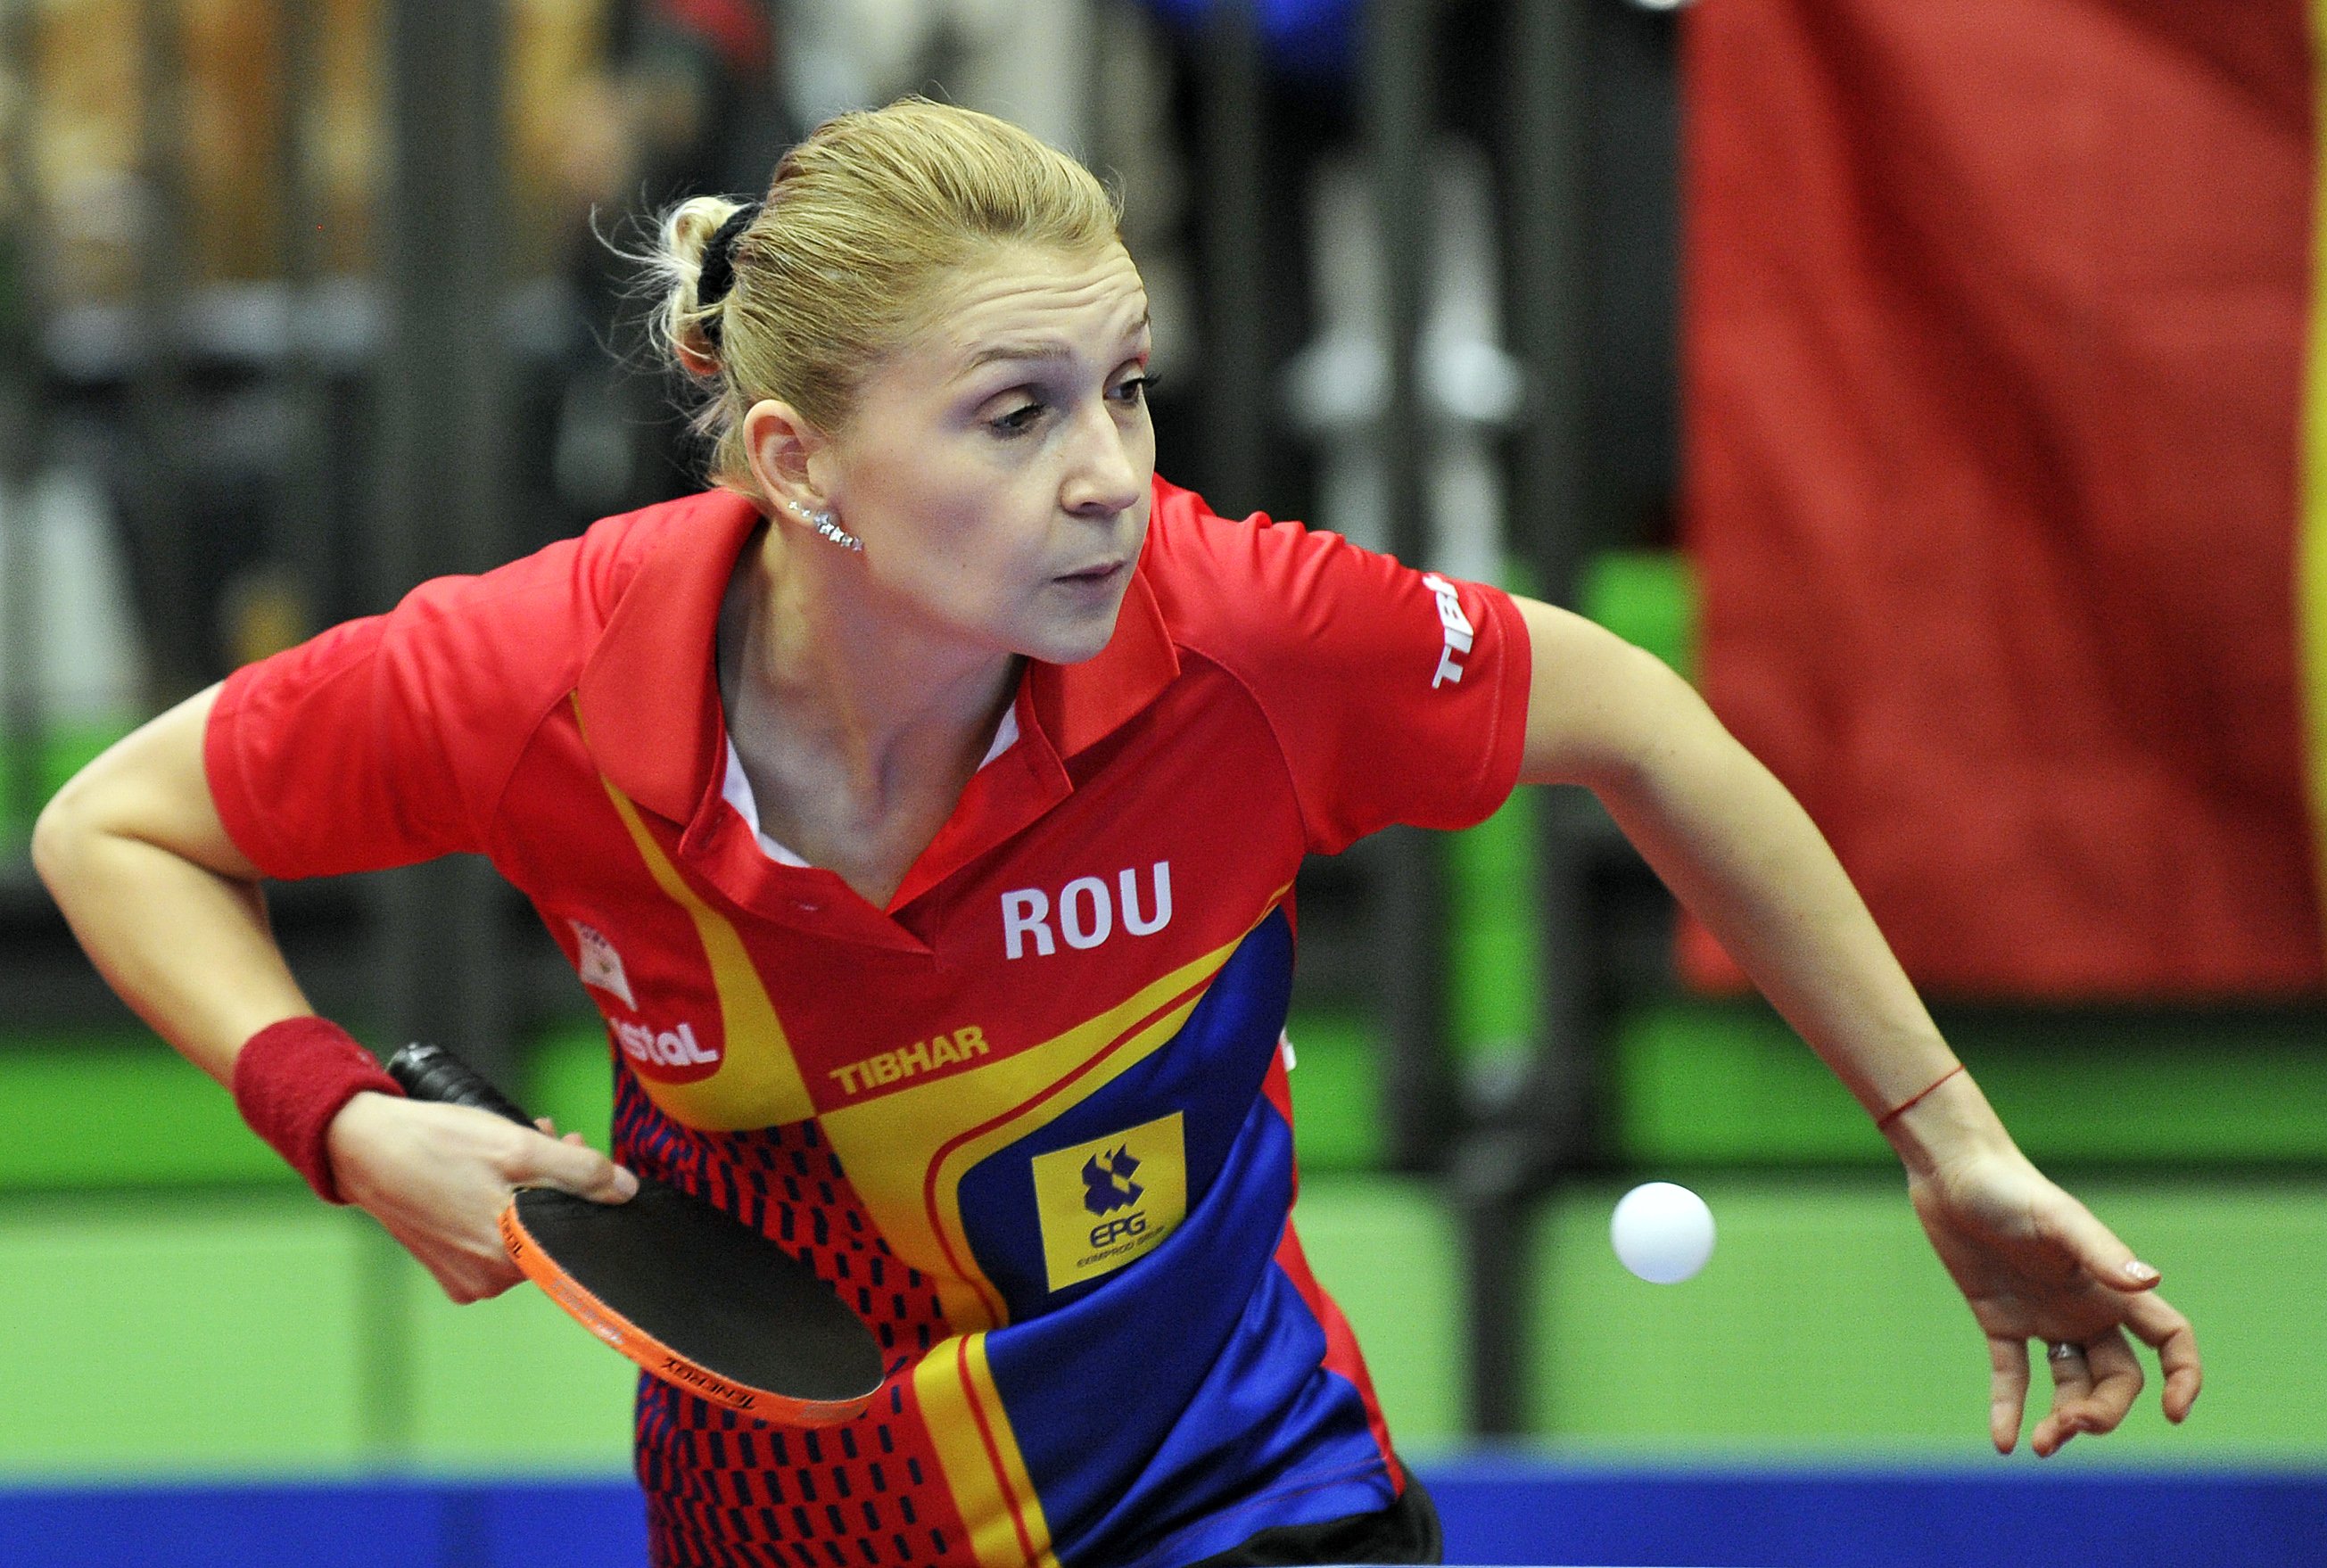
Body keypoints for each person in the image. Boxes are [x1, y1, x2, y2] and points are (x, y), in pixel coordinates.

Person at [32, 98, 2199, 1568]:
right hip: (800, 1519)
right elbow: (116, 826)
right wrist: (343, 1119)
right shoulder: (540, 679)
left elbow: (1641, 723)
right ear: (795, 466)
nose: (1110, 476)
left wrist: (1947, 1136)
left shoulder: (1246, 639)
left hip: (1240, 1487)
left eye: (1128, 387)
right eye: (1017, 414)